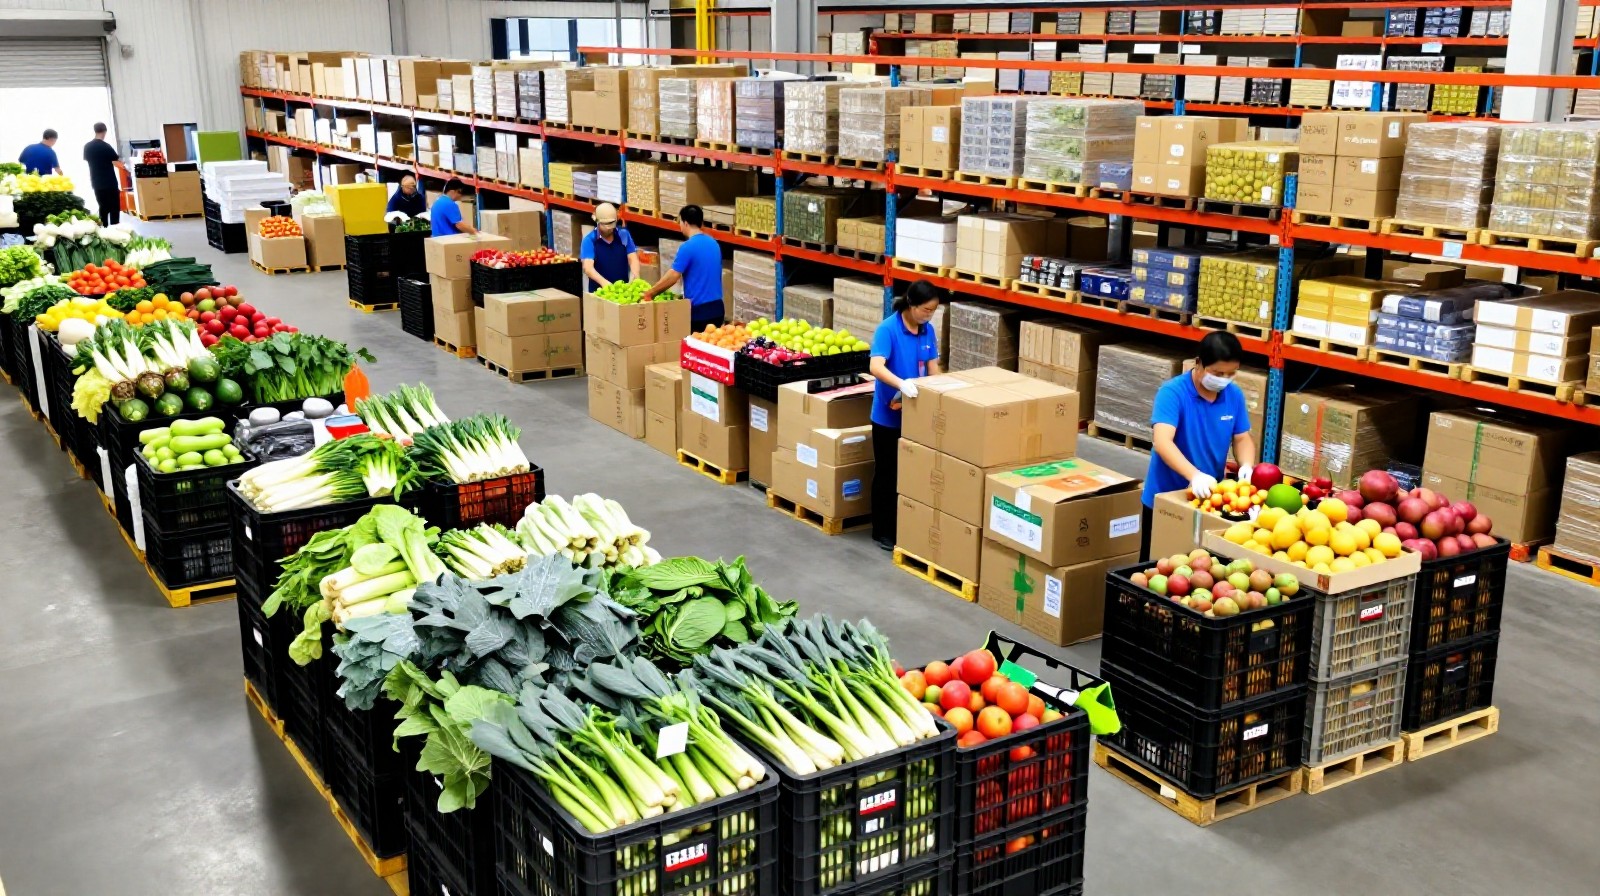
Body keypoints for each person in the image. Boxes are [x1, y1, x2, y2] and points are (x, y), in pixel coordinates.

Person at [1140, 330, 1258, 559]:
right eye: (1217, 373)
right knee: (1155, 568)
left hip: (1208, 500)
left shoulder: (1233, 395)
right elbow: (1163, 442)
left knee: (1200, 571)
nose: (1224, 379)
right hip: (1167, 499)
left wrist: (1246, 465)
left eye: (1231, 373)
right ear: (1199, 363)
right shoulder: (1173, 393)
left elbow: (1242, 437)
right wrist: (1194, 475)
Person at [867, 281, 945, 552]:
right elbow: (876, 366)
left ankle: (906, 526)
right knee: (888, 472)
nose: (929, 315)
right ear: (911, 305)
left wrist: (946, 392)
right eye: (926, 310)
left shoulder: (928, 331)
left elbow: (934, 369)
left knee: (911, 473)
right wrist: (901, 384)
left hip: (916, 417)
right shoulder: (888, 329)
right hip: (888, 417)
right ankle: (883, 530)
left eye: (933, 311)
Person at [642, 205, 722, 329]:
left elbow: (673, 276)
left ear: (685, 223)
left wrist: (651, 293)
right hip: (718, 309)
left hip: (699, 313)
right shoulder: (714, 243)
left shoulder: (688, 247)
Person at [580, 203, 640, 292]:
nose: (608, 228)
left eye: (611, 224)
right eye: (605, 224)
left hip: (622, 292)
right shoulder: (589, 241)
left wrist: (635, 276)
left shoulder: (623, 235)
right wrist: (604, 283)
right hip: (599, 294)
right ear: (597, 222)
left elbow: (633, 258)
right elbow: (588, 268)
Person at [83, 123, 121, 226]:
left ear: (95, 131)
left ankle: (103, 230)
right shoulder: (106, 146)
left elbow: (89, 160)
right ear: (105, 131)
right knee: (114, 208)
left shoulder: (87, 147)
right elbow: (116, 162)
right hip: (110, 182)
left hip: (96, 182)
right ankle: (115, 230)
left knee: (103, 207)